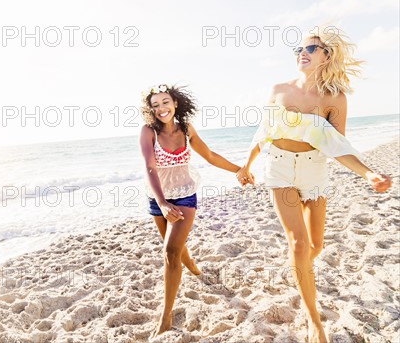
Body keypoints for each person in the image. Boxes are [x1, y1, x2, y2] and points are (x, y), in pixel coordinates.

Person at [235, 27, 392, 343]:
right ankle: (314, 321)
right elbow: (263, 130)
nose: (301, 52)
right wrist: (247, 164)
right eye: (298, 48)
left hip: (314, 172)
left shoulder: (335, 98)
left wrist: (368, 174)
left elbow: (338, 146)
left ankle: (297, 270)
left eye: (310, 48)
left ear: (327, 55)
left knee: (315, 246)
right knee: (298, 244)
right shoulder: (279, 89)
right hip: (278, 168)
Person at [139, 84, 244, 337]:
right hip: (157, 198)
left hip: (185, 195)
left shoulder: (186, 129)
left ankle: (166, 317)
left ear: (175, 103)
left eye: (165, 102)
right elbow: (150, 168)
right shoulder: (148, 131)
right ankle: (196, 269)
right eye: (155, 105)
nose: (161, 108)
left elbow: (209, 155)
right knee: (175, 245)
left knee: (171, 251)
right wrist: (163, 204)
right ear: (150, 110)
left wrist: (238, 170)